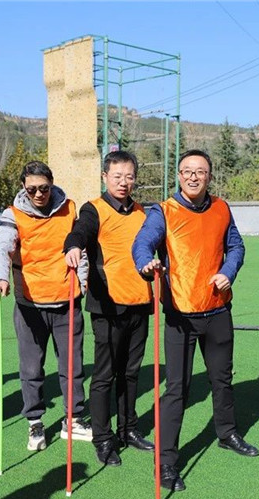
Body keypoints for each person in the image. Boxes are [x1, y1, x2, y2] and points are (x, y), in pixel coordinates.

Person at [132, 149, 259, 493]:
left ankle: (227, 433)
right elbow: (143, 244)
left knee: (222, 379)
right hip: (181, 315)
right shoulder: (163, 211)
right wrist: (145, 263)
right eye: (187, 171)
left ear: (209, 177)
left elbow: (236, 247)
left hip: (218, 310)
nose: (193, 177)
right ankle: (166, 462)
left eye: (200, 171)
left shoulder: (221, 208)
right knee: (177, 389)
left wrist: (228, 271)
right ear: (178, 175)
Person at [0, 160, 91, 451]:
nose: (38, 194)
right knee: (32, 368)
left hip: (66, 300)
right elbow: (2, 246)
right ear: (23, 186)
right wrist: (0, 277)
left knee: (72, 366)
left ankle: (73, 419)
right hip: (30, 304)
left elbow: (79, 248)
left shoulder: (69, 208)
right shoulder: (13, 213)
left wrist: (83, 281)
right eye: (32, 189)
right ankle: (35, 422)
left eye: (44, 188)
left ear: (52, 184)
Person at [64, 151, 155, 467]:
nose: (123, 182)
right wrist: (73, 246)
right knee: (105, 375)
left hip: (140, 301)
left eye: (129, 176)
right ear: (105, 177)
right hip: (108, 305)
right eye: (117, 176)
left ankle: (128, 429)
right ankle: (103, 439)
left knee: (130, 373)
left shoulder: (142, 212)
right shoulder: (94, 209)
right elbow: (81, 231)